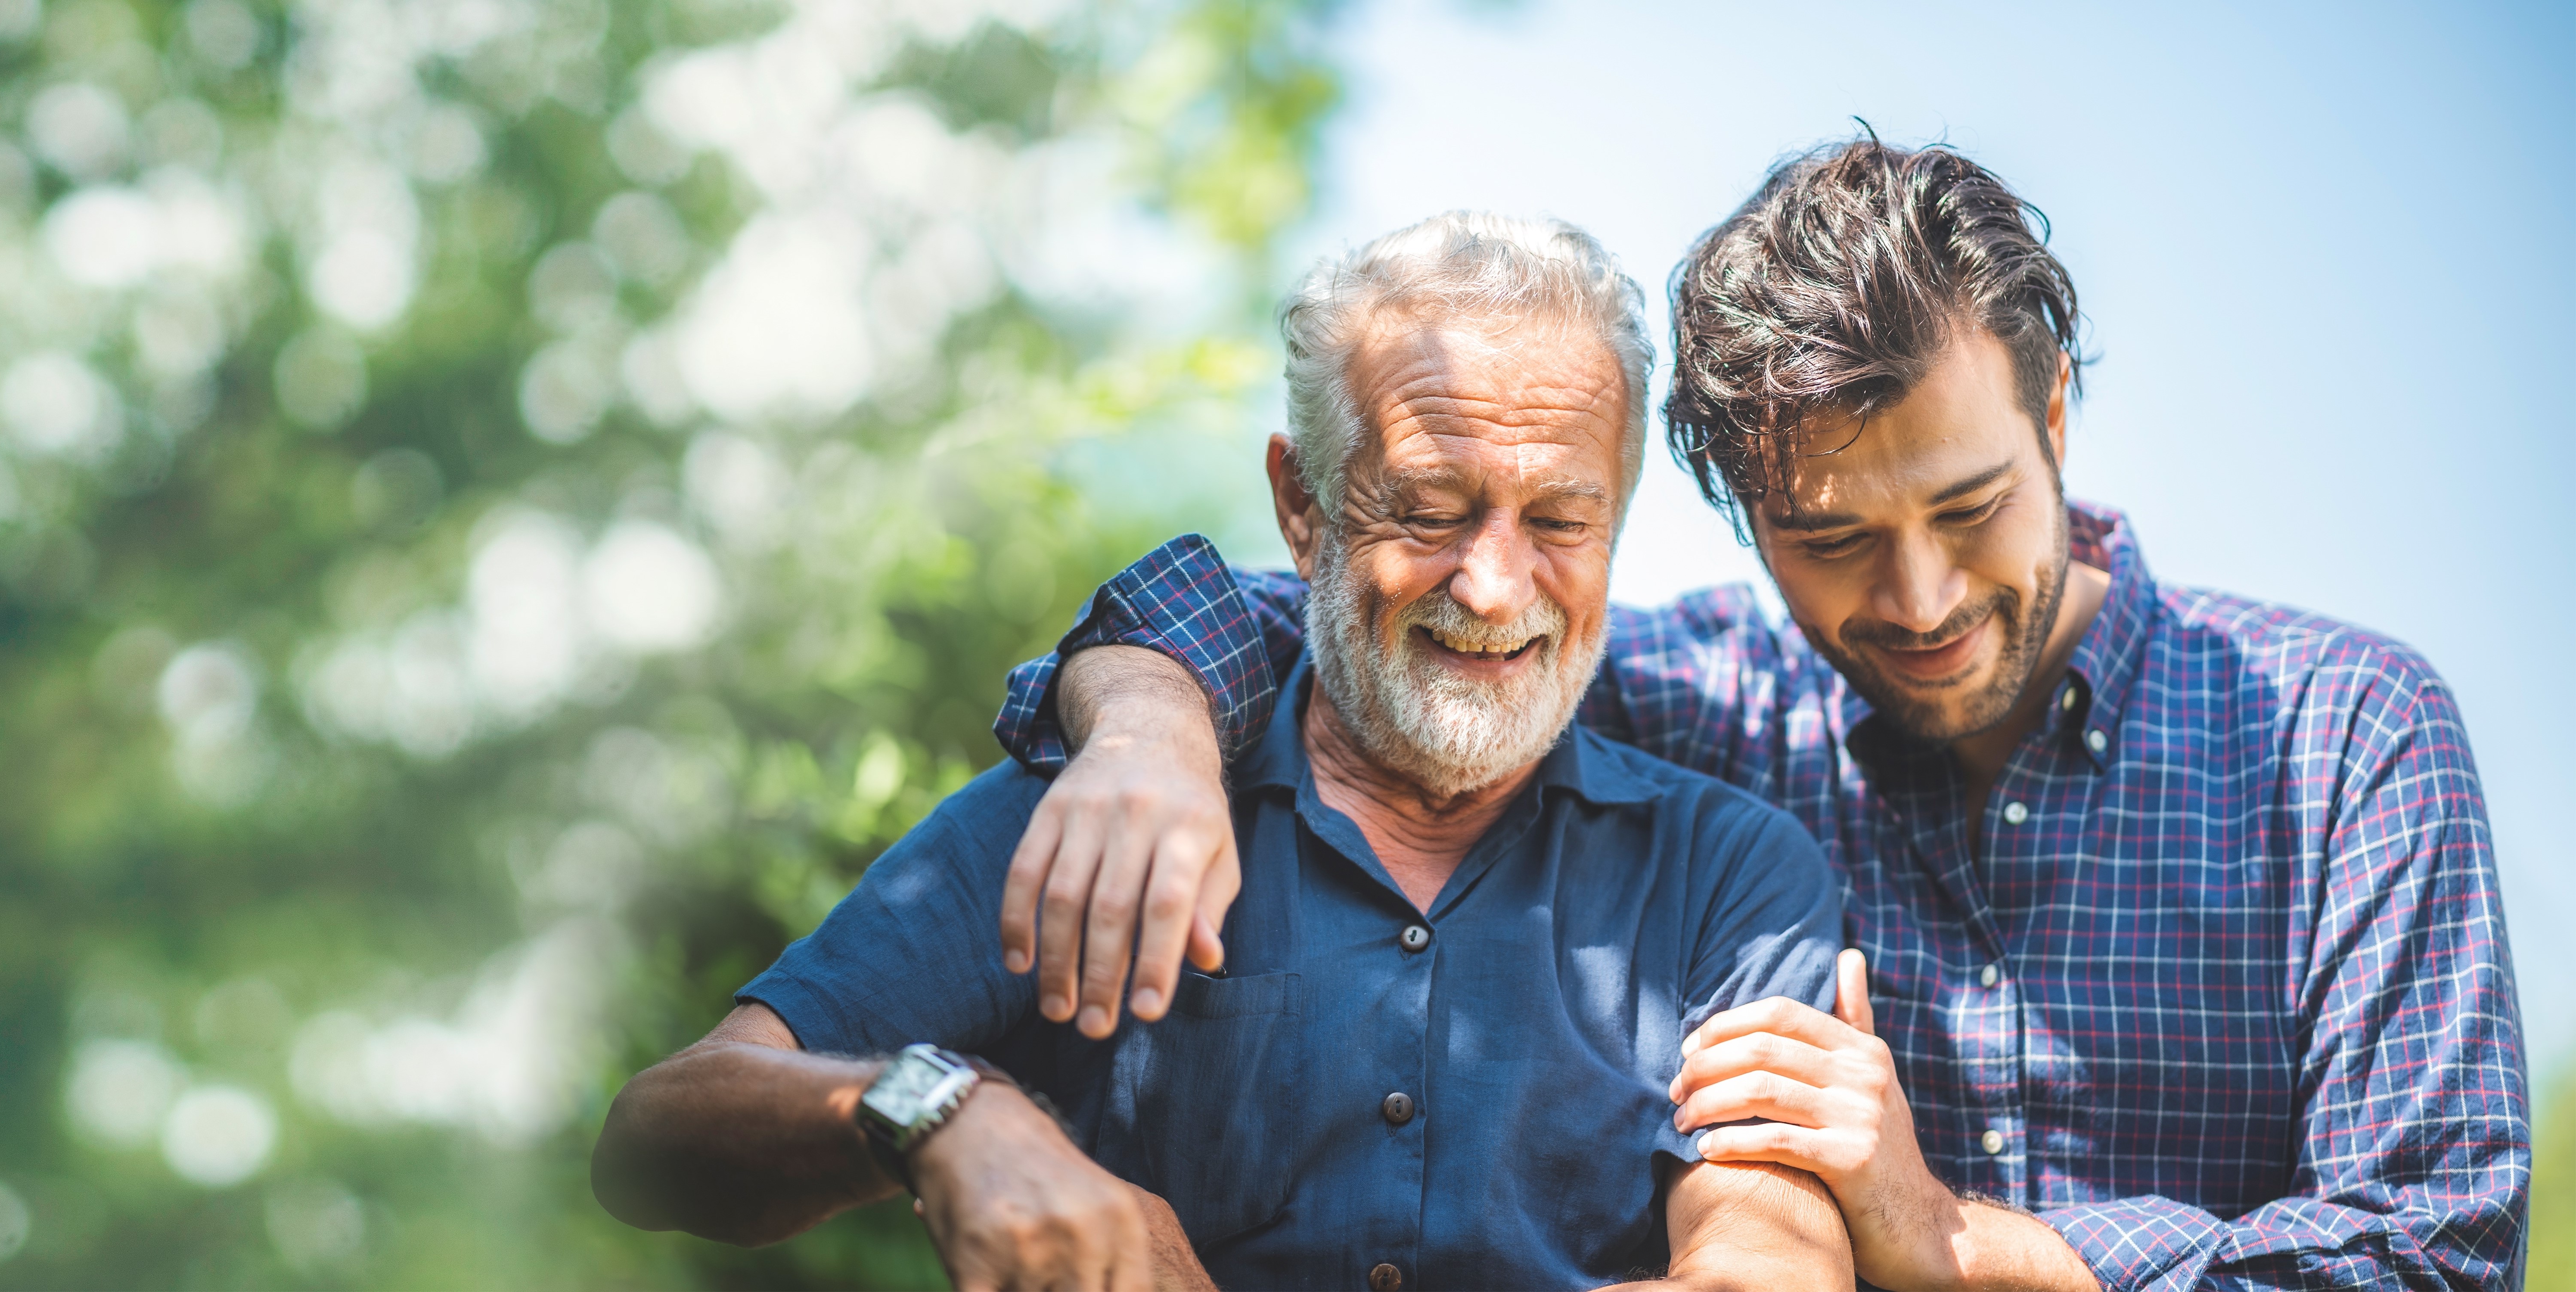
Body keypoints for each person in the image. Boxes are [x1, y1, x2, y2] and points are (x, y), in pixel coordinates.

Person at [991, 139, 2527, 1291]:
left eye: (1974, 507)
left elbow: (2439, 1258)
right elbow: (1363, 615)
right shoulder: (1694, 700)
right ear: (1739, 516)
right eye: (1835, 541)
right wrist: (1145, 726)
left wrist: (1969, 1245)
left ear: (2055, 417)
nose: (1920, 599)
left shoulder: (2348, 737)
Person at [590, 212, 1856, 1291]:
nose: (1493, 585)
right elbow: (658, 1136)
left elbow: (1772, 1263)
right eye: (1427, 510)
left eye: (1564, 519)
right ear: (1302, 505)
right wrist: (942, 1110)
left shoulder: (1730, 871)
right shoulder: (1104, 809)